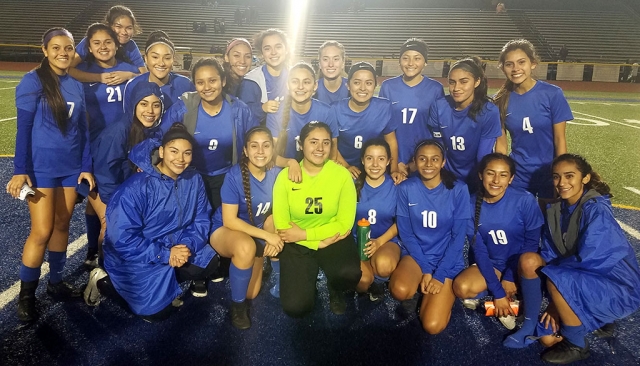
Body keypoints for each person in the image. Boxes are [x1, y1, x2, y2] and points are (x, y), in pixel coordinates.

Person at [503, 154, 640, 364]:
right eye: (557, 177)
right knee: (530, 262)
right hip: (576, 277)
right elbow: (549, 253)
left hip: (614, 284)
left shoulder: (596, 209)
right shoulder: (556, 210)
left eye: (569, 176)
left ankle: (578, 343)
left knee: (556, 281)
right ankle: (534, 325)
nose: (562, 183)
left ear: (584, 178)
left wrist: (555, 303)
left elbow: (593, 259)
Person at [84, 124, 219, 322]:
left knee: (209, 262)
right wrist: (166, 254)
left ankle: (163, 285)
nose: (180, 159)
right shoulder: (135, 188)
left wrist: (186, 246)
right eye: (174, 151)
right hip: (138, 254)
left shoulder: (194, 179)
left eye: (187, 153)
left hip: (176, 242)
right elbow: (122, 239)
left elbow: (200, 218)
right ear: (162, 151)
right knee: (155, 314)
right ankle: (103, 282)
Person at [7, 28, 94, 322]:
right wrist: (21, 171)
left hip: (70, 168)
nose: (63, 53)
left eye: (68, 48)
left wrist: (85, 165)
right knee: (41, 231)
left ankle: (56, 282)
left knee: (62, 224)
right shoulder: (32, 81)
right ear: (44, 50)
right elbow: (24, 130)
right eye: (56, 48)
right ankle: (27, 296)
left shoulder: (75, 84)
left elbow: (83, 131)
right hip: (41, 169)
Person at [273, 122, 361, 317]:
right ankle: (307, 281)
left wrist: (307, 234)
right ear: (301, 145)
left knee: (350, 275)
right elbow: (283, 227)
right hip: (298, 243)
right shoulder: (285, 177)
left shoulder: (342, 176)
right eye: (313, 142)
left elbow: (344, 224)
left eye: (326, 143)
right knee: (296, 307)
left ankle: (335, 288)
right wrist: (315, 243)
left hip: (331, 238)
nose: (320, 149)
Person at [75, 23, 142, 267]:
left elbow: (147, 80)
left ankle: (96, 251)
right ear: (89, 47)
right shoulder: (80, 72)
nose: (103, 47)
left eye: (108, 42)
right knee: (104, 212)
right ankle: (100, 262)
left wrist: (132, 75)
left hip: (126, 150)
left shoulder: (129, 68)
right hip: (94, 152)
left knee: (110, 208)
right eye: (97, 43)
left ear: (116, 44)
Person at [452, 153, 543, 330]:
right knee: (461, 287)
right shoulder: (470, 204)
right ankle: (506, 298)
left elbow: (532, 243)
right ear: (480, 175)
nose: (496, 180)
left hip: (520, 266)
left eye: (503, 175)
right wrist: (499, 292)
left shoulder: (524, 200)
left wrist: (509, 277)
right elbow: (480, 251)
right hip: (493, 264)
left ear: (511, 179)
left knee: (530, 267)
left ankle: (513, 294)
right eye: (490, 173)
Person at [389, 140, 470, 334]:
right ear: (415, 162)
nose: (428, 164)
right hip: (417, 256)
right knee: (399, 290)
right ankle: (421, 288)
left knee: (432, 326)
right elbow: (406, 233)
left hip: (447, 259)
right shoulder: (406, 188)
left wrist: (439, 275)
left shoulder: (458, 189)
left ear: (443, 162)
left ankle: (440, 296)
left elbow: (459, 238)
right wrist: (425, 270)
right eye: (422, 159)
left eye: (435, 159)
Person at [209, 126, 283, 329]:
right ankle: (238, 307)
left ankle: (279, 277)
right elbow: (230, 221)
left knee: (253, 292)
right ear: (245, 150)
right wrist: (268, 237)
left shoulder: (277, 173)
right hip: (226, 229)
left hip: (255, 229)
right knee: (246, 248)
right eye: (254, 146)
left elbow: (281, 211)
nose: (260, 151)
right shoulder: (234, 176)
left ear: (272, 148)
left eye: (266, 145)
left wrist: (273, 233)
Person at [162, 57, 256, 213]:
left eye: (212, 81)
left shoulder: (239, 110)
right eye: (200, 82)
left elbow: (254, 141)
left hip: (226, 177)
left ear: (223, 81)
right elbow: (158, 140)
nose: (207, 87)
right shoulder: (183, 109)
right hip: (190, 177)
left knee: (222, 225)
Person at [494, 39, 572, 200]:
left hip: (549, 173)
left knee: (549, 221)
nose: (516, 69)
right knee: (518, 222)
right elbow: (501, 144)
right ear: (503, 68)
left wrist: (561, 174)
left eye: (521, 62)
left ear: (533, 63)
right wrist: (502, 173)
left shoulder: (552, 94)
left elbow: (559, 139)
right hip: (518, 175)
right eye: (509, 64)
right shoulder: (499, 100)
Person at [428, 57, 502, 192]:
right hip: (446, 175)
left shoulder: (488, 111)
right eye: (452, 82)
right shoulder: (439, 106)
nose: (456, 88)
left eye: (463, 82)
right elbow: (438, 147)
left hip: (475, 176)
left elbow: (483, 156)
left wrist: (479, 182)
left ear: (477, 82)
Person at [92, 81, 164, 208]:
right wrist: (115, 204)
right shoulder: (119, 131)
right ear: (134, 105)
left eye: (156, 105)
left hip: (130, 188)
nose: (150, 111)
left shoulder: (156, 132)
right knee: (110, 224)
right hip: (102, 184)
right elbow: (105, 172)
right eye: (143, 104)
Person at [379, 38, 444, 176]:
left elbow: (437, 131)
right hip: (392, 159)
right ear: (399, 61)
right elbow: (382, 127)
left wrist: (415, 164)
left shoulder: (435, 89)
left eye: (417, 58)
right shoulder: (388, 87)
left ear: (425, 62)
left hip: (422, 161)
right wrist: (394, 162)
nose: (410, 63)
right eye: (406, 58)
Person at [268, 62, 339, 183]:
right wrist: (290, 162)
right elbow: (270, 154)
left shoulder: (326, 112)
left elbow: (332, 151)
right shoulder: (276, 113)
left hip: (317, 172)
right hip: (284, 172)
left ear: (315, 86)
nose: (300, 87)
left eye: (306, 82)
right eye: (295, 81)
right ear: (287, 85)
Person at [334, 61, 402, 183]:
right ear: (348, 85)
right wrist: (346, 166)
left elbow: (391, 142)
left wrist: (394, 169)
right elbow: (331, 145)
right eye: (356, 82)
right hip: (343, 167)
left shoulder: (384, 107)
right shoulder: (335, 109)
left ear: (376, 85)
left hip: (374, 169)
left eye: (369, 83)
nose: (363, 88)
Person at [354, 139, 401, 302]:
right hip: (356, 241)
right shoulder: (352, 185)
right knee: (362, 281)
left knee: (383, 266)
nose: (375, 164)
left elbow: (401, 222)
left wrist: (379, 242)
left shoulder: (397, 186)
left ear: (389, 161)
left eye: (381, 159)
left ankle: (379, 281)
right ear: (362, 160)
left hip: (385, 240)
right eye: (369, 158)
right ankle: (366, 277)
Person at [69, 5, 145, 85]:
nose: (124, 32)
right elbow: (67, 69)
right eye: (118, 26)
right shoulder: (89, 41)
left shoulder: (130, 45)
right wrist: (98, 77)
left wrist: (130, 75)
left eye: (129, 28)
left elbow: (145, 75)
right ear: (109, 25)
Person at [123, 30, 195, 112]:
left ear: (173, 60)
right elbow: (129, 120)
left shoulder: (185, 84)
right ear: (146, 58)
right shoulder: (133, 85)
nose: (161, 63)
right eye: (155, 57)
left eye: (167, 58)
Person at [239, 28, 290, 124]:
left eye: (278, 47)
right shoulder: (251, 80)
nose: (273, 52)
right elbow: (242, 113)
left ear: (286, 50)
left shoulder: (296, 75)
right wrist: (262, 108)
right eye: (267, 48)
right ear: (262, 54)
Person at [315, 41, 349, 105]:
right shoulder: (311, 90)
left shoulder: (353, 89)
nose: (331, 64)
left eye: (336, 59)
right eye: (325, 59)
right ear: (319, 63)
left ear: (343, 63)